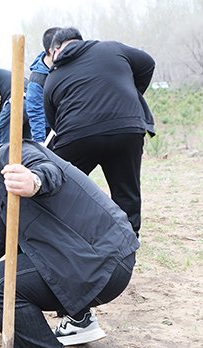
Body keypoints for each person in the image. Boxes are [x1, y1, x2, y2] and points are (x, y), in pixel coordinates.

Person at [0, 127, 139, 348]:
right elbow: (7, 235)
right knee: (2, 271)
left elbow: (48, 170)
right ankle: (79, 320)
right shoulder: (0, 180)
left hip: (103, 262)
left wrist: (34, 181)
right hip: (101, 260)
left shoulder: (10, 156)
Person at [44, 27, 155, 239]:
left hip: (77, 137)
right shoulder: (111, 48)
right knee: (126, 191)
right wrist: (130, 93)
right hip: (126, 130)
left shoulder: (53, 77)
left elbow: (54, 121)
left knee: (60, 187)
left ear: (55, 49)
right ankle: (128, 241)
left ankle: (62, 237)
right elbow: (148, 63)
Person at [26, 27, 61, 144]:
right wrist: (40, 142)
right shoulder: (37, 79)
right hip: (49, 133)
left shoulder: (64, 69)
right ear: (52, 50)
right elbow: (36, 113)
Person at [0, 63, 31, 143]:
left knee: (4, 140)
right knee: (25, 144)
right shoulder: (8, 79)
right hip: (31, 106)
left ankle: (3, 155)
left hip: (16, 101)